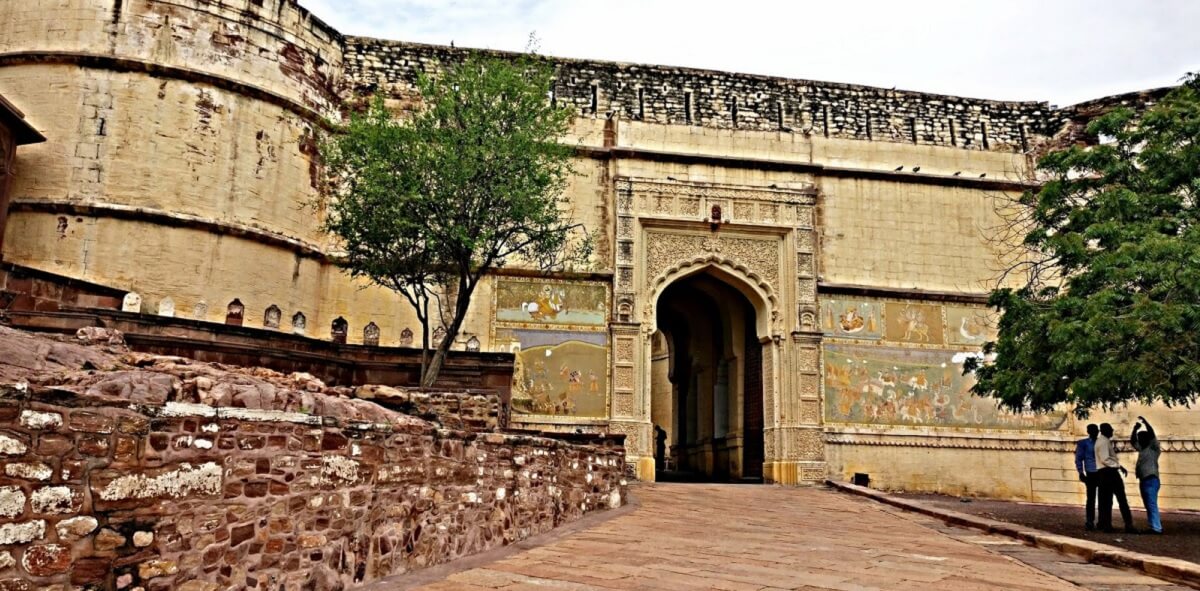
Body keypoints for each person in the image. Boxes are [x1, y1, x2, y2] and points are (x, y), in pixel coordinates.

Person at [1095, 423, 1135, 533]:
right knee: (1121, 499)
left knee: (1107, 501)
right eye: (1110, 429)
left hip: (1104, 473)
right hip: (1109, 473)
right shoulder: (1103, 442)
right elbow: (1105, 459)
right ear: (1105, 430)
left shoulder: (1101, 441)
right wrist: (1117, 466)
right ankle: (1128, 525)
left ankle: (1107, 525)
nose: (1112, 431)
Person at [1131, 416, 1163, 534]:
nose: (1139, 440)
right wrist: (1135, 429)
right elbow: (1133, 441)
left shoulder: (1153, 448)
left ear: (1147, 439)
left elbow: (1152, 434)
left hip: (1151, 479)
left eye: (1141, 437)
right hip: (1144, 479)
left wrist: (1146, 423)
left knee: (1151, 504)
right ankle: (1153, 526)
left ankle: (1156, 528)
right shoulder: (1142, 449)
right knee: (1148, 504)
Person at [1074, 424, 1100, 530]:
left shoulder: (1101, 442)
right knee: (1091, 498)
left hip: (1101, 471)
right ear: (1089, 431)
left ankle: (1101, 521)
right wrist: (1081, 472)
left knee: (1102, 498)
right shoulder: (1083, 443)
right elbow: (1079, 459)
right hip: (1091, 472)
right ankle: (1090, 521)